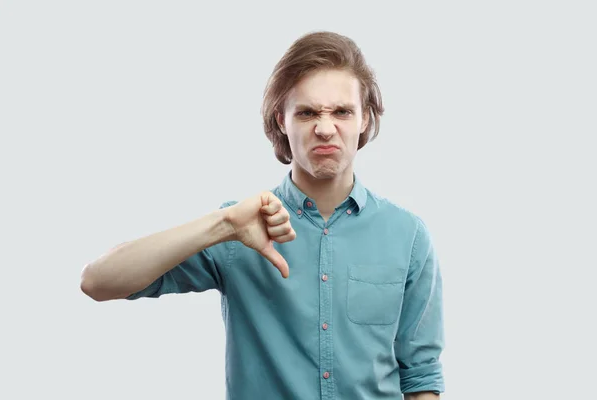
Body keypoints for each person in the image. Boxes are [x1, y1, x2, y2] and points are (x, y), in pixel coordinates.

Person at [80, 31, 445, 400]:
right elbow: (98, 282)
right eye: (307, 112)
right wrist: (223, 226)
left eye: (341, 111)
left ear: (364, 118)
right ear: (282, 120)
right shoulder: (240, 229)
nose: (324, 127)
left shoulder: (407, 235)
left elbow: (421, 376)